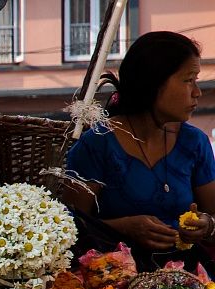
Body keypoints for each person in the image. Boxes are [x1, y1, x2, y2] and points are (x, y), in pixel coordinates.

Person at [64, 31, 215, 270]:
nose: (197, 91)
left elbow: (213, 216)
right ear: (153, 83)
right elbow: (69, 225)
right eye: (188, 80)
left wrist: (205, 225)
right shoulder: (97, 144)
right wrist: (123, 227)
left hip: (187, 279)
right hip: (112, 282)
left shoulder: (194, 143)